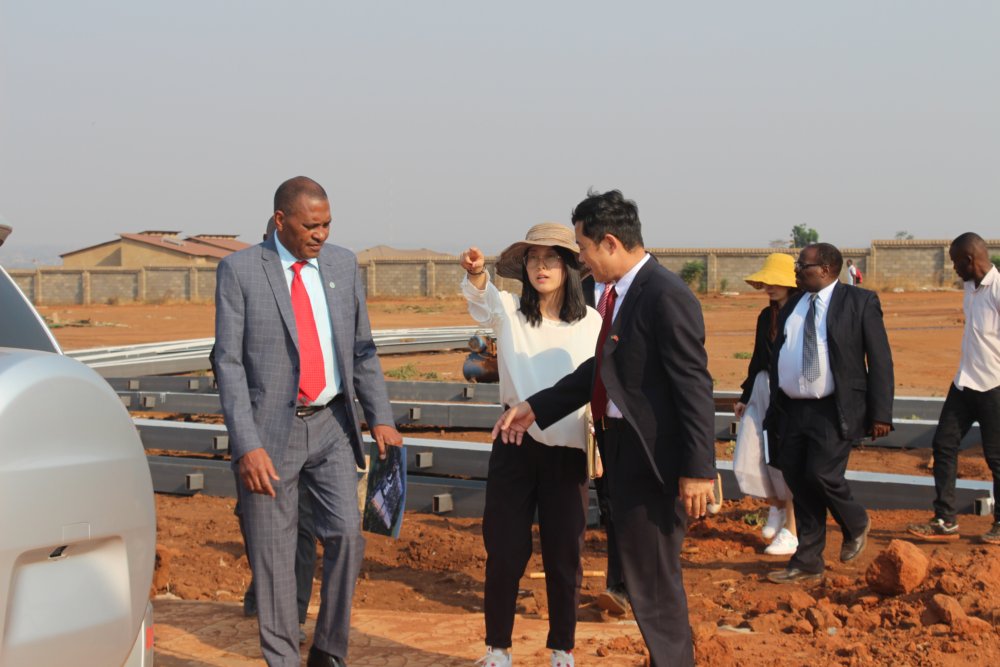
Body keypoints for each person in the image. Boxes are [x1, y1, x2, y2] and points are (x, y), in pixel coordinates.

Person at [493, 190, 717, 666]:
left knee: (654, 586)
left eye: (583, 247)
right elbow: (600, 370)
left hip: (652, 464)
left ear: (610, 243)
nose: (582, 260)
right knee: (643, 580)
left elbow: (694, 386)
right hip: (622, 459)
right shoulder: (620, 295)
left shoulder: (664, 295)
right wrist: (536, 406)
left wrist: (699, 470)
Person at [215, 176, 402, 667]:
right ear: (281, 221)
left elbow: (362, 348)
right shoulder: (239, 272)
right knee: (275, 560)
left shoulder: (342, 263)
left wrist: (380, 416)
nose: (320, 234)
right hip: (269, 437)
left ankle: (328, 651)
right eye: (310, 225)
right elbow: (228, 363)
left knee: (347, 535)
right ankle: (281, 659)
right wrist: (245, 444)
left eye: (327, 224)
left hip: (333, 426)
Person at [461, 223, 602, 667]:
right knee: (504, 551)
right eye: (534, 259)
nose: (542, 268)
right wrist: (479, 274)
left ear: (570, 267)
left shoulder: (593, 323)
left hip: (568, 451)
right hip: (515, 447)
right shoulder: (510, 314)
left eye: (552, 258)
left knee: (564, 556)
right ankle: (498, 648)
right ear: (523, 268)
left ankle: (562, 647)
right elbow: (481, 302)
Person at [212, 217, 319, 644]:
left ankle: (290, 615)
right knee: (257, 520)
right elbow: (227, 361)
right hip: (258, 435)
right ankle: (265, 592)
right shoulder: (245, 283)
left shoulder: (309, 292)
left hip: (305, 429)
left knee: (303, 526)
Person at [763, 242, 894, 584]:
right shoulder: (794, 305)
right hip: (792, 407)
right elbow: (780, 354)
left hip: (833, 408)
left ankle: (855, 521)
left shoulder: (859, 302)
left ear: (824, 269)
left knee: (821, 473)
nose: (795, 271)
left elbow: (880, 359)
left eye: (801, 266)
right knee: (797, 477)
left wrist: (881, 413)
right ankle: (807, 561)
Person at [907, 232, 1000, 545]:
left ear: (969, 259)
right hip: (964, 383)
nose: (954, 269)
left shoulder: (998, 290)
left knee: (997, 458)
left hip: (994, 386)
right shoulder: (969, 288)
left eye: (955, 263)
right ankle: (945, 519)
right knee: (943, 445)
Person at [733, 253, 800, 556]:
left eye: (775, 281)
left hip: (786, 390)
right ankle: (775, 507)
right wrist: (746, 396)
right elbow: (757, 357)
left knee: (784, 457)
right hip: (762, 386)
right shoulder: (765, 316)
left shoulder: (802, 313)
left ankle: (792, 527)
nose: (769, 287)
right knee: (751, 448)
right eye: (766, 282)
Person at [581, 274, 629, 616]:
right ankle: (619, 586)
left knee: (633, 506)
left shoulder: (641, 288)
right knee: (610, 501)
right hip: (591, 412)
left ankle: (631, 586)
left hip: (632, 421)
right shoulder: (577, 290)